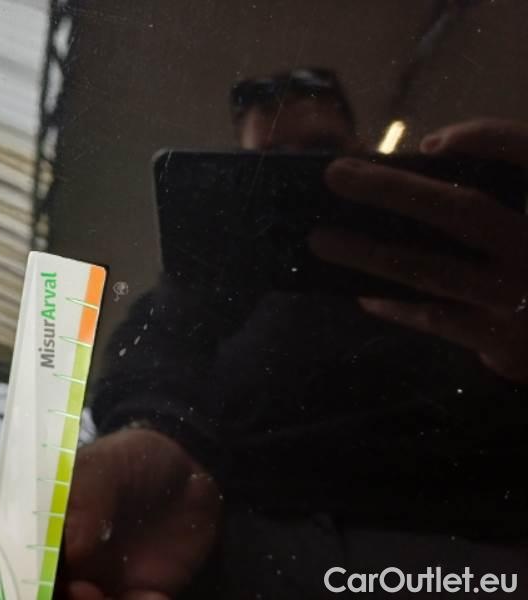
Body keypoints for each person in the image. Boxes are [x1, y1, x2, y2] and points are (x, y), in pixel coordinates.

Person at [59, 68, 528, 599]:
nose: (298, 175)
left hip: (461, 538)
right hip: (237, 533)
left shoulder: (441, 253)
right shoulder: (216, 273)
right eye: (272, 162)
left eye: (320, 150)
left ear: (360, 148)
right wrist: (157, 432)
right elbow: (154, 347)